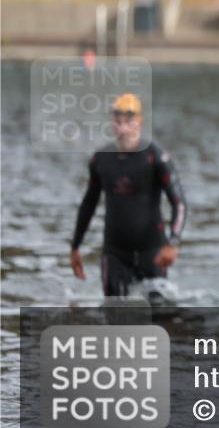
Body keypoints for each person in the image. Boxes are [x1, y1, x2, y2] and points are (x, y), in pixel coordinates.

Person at [70, 93, 187, 298]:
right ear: (112, 124)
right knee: (114, 316)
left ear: (139, 123)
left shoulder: (156, 158)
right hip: (115, 253)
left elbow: (179, 203)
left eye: (129, 122)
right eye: (118, 122)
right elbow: (89, 203)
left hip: (153, 253)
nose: (123, 128)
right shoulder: (101, 160)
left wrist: (173, 243)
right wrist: (75, 246)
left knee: (159, 319)